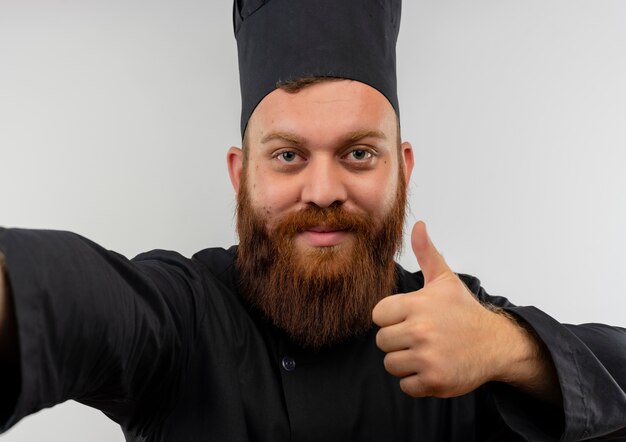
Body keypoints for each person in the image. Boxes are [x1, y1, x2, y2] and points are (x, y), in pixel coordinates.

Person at [1, 0, 625, 440]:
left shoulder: (460, 326)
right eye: (288, 155)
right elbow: (77, 307)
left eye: (358, 153)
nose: (323, 190)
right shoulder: (183, 317)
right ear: (239, 173)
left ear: (401, 169)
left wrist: (508, 348)